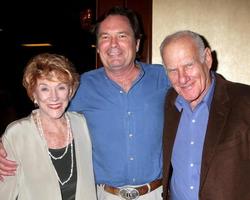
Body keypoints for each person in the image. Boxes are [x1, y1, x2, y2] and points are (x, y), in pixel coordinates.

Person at [0, 6, 172, 200]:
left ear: (137, 43)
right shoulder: (81, 86)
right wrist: (7, 144)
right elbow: (47, 113)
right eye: (105, 37)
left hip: (156, 194)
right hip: (103, 195)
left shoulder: (164, 79)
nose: (113, 44)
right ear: (98, 47)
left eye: (122, 36)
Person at [160, 30, 250, 200]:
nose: (182, 78)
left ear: (207, 58)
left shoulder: (245, 101)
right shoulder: (170, 102)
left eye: (188, 65)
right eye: (173, 70)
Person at [0, 53, 97, 200]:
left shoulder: (82, 124)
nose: (54, 97)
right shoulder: (17, 133)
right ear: (33, 93)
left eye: (61, 87)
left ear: (70, 91)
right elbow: (5, 192)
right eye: (45, 89)